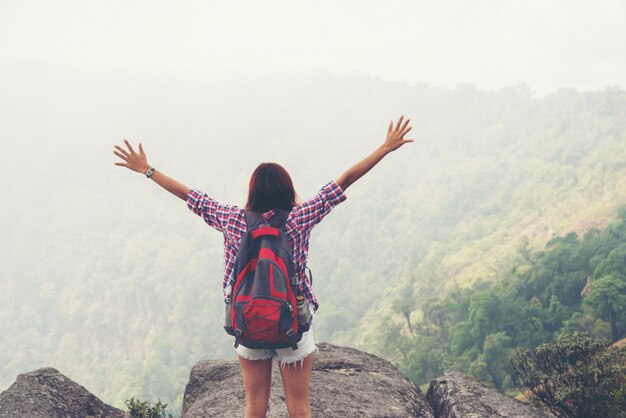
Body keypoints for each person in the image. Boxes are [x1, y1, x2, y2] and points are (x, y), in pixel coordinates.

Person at [113, 115, 413, 418]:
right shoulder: (299, 219)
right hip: (292, 320)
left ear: (252, 190)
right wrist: (384, 148)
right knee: (299, 407)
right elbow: (344, 181)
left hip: (248, 320)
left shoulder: (232, 219)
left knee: (254, 408)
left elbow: (191, 196)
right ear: (287, 189)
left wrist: (147, 170)